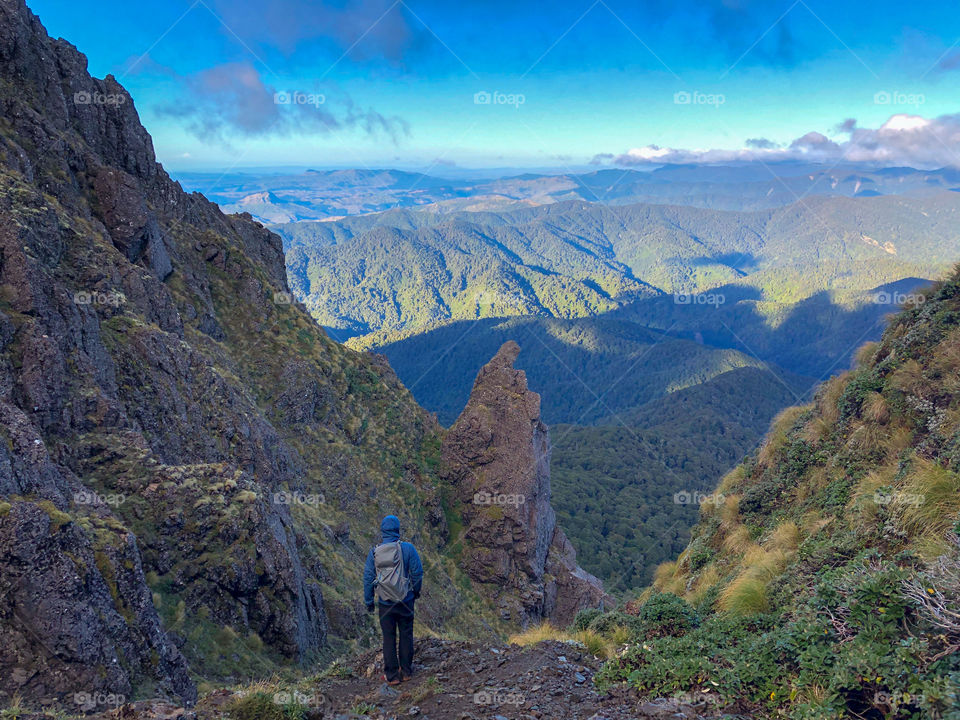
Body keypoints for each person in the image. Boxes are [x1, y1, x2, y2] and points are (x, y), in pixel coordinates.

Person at [363, 515, 423, 685]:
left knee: (388, 637)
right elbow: (417, 573)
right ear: (397, 530)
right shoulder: (408, 548)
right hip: (406, 600)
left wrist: (369, 602)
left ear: (382, 531)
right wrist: (415, 592)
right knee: (406, 634)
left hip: (384, 602)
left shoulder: (374, 552)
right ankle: (406, 671)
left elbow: (368, 578)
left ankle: (392, 676)